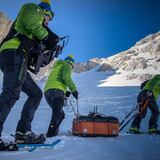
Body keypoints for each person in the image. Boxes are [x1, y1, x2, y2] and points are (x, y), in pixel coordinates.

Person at [0, 0, 57, 148]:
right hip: (14, 53)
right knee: (11, 93)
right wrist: (47, 37)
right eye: (49, 18)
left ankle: (23, 132)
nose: (48, 22)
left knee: (35, 94)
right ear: (46, 12)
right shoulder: (34, 9)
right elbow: (31, 22)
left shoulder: (35, 23)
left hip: (19, 57)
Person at [44, 54, 78, 137]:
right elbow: (66, 77)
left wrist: (65, 91)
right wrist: (74, 90)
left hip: (47, 92)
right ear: (72, 62)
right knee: (57, 114)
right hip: (57, 91)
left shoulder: (58, 66)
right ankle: (50, 135)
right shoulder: (67, 65)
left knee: (60, 114)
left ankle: (54, 132)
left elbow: (57, 80)